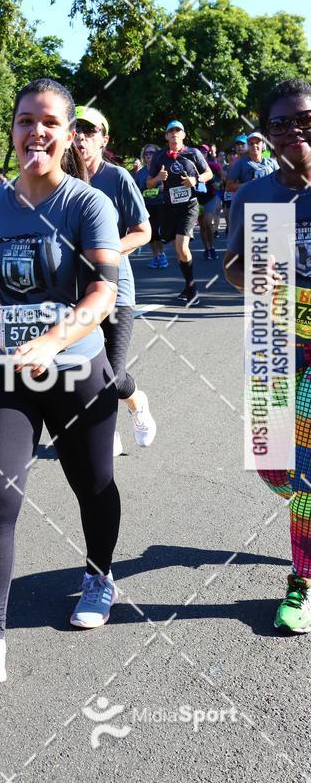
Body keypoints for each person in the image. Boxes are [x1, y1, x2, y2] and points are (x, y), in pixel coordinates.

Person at [0, 78, 122, 687]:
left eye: (48, 121)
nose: (34, 131)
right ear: (12, 131)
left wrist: (52, 341)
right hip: (4, 376)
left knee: (92, 484)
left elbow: (103, 290)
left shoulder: (87, 203)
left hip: (75, 370)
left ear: (69, 136)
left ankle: (99, 574)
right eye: (23, 120)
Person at [224, 78, 311, 634]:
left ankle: (302, 582)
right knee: (272, 461)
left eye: (305, 119)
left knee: (305, 470)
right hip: (275, 337)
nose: (294, 130)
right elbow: (231, 266)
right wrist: (255, 274)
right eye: (281, 123)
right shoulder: (255, 196)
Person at [74, 106, 156, 456]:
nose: (80, 137)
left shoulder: (117, 177)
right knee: (86, 372)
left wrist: (105, 253)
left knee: (111, 374)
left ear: (103, 139)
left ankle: (137, 402)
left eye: (89, 131)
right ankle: (107, 431)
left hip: (116, 290)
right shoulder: (60, 179)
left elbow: (143, 232)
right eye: (74, 129)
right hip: (75, 291)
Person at [147, 120, 213, 306]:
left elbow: (209, 174)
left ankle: (192, 289)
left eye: (178, 130)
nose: (175, 133)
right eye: (171, 131)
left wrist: (196, 179)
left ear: (183, 135)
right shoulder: (160, 156)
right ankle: (187, 284)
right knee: (178, 248)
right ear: (166, 136)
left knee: (182, 246)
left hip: (189, 206)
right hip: (168, 207)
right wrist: (158, 178)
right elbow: (149, 183)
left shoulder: (193, 153)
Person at [134, 143, 167, 268]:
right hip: (146, 206)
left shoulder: (162, 170)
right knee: (151, 234)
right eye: (146, 153)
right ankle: (156, 256)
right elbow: (136, 190)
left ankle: (162, 254)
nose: (148, 155)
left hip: (160, 205)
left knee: (158, 233)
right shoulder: (140, 173)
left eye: (151, 153)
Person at [226, 131, 279, 197]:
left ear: (263, 145)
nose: (254, 145)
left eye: (257, 142)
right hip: (250, 204)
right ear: (247, 146)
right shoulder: (240, 163)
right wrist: (248, 185)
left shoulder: (272, 162)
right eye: (251, 143)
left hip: (271, 202)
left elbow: (283, 182)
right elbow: (228, 187)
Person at [197, 144, 219, 260]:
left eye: (204, 152)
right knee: (202, 226)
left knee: (208, 223)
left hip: (210, 197)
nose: (202, 153)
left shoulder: (213, 165)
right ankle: (206, 248)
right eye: (200, 151)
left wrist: (219, 184)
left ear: (208, 153)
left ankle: (212, 247)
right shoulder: (193, 166)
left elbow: (223, 177)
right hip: (198, 199)